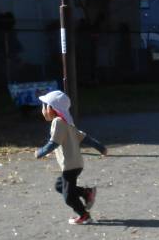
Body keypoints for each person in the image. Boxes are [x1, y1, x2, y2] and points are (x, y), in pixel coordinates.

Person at [34, 90, 107, 225]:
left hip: (70, 165)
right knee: (59, 185)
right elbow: (84, 137)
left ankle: (84, 215)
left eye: (45, 107)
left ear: (52, 108)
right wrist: (101, 147)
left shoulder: (58, 122)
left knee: (68, 197)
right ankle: (86, 193)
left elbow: (54, 143)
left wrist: (41, 152)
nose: (43, 110)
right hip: (76, 164)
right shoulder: (68, 123)